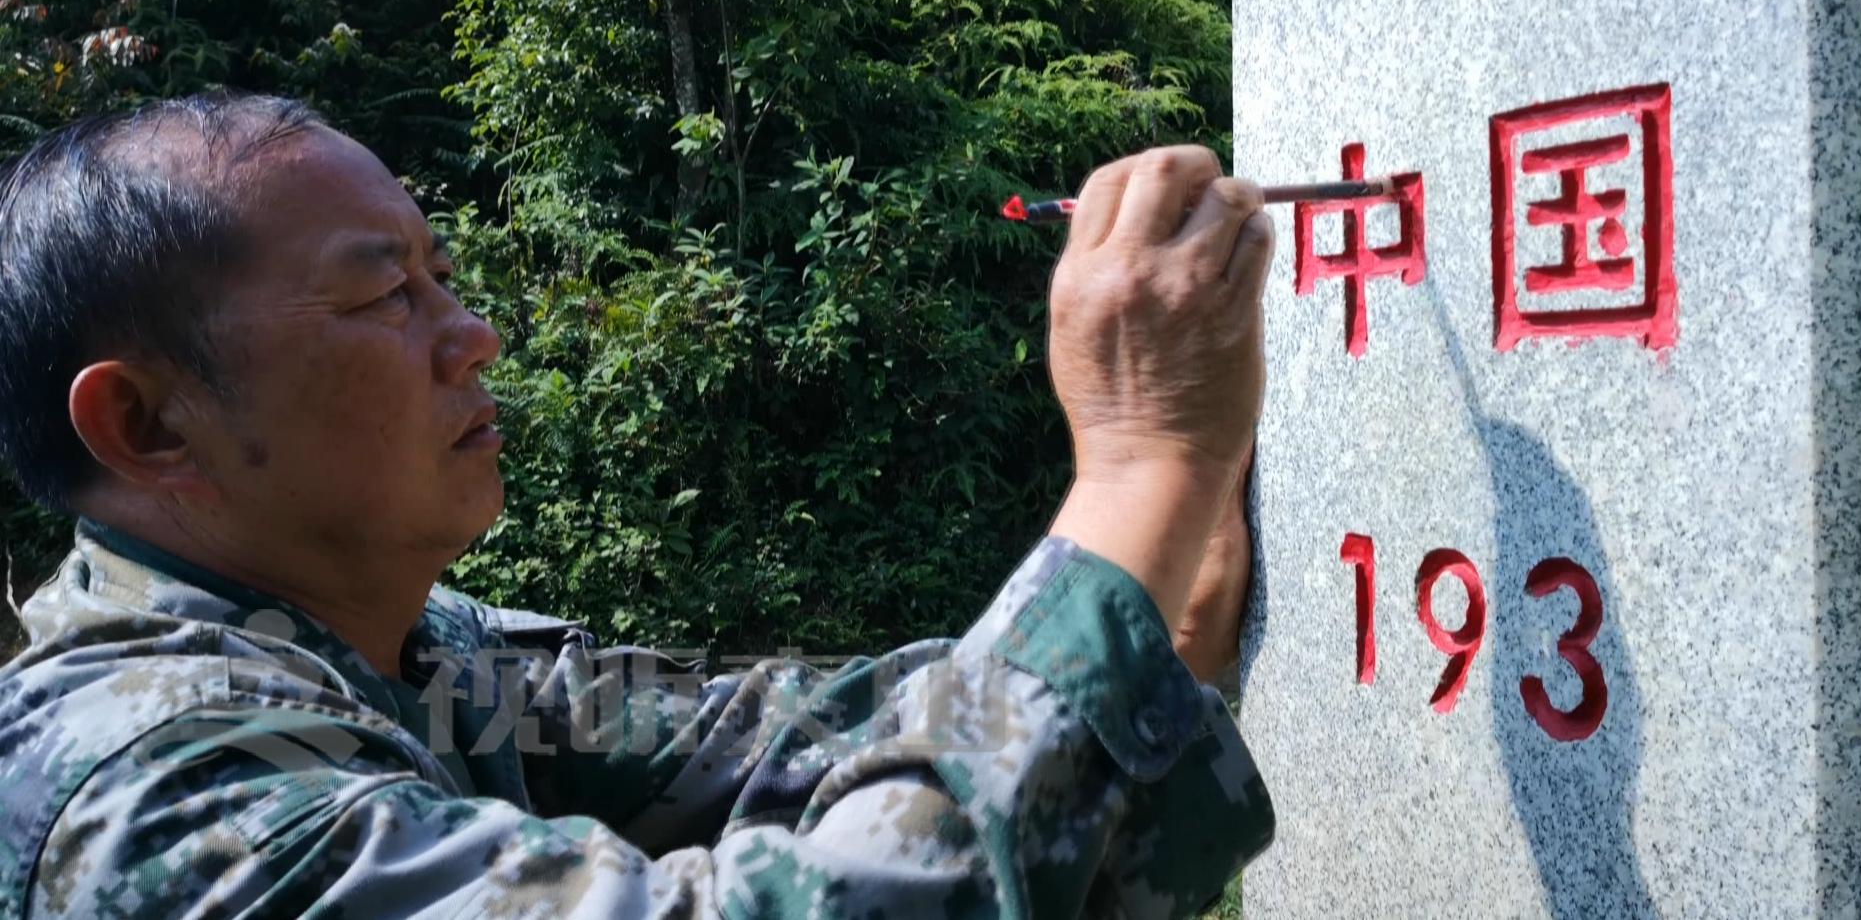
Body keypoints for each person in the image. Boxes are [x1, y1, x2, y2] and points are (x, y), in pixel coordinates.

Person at [0, 91, 1276, 918]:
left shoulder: (421, 655)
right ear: (150, 422)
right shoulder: (154, 799)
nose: (476, 335)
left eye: (442, 276)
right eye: (383, 295)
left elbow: (805, 737)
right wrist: (1144, 466)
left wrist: (1153, 623)